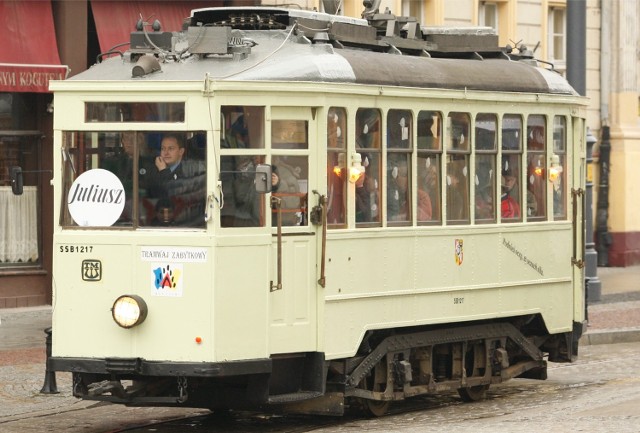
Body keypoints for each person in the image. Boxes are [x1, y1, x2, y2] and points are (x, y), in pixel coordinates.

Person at [147, 133, 206, 226]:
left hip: (188, 224)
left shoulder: (192, 168)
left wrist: (164, 171)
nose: (166, 153)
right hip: (160, 224)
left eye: (170, 149)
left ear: (181, 151)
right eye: (163, 149)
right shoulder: (153, 169)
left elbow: (175, 194)